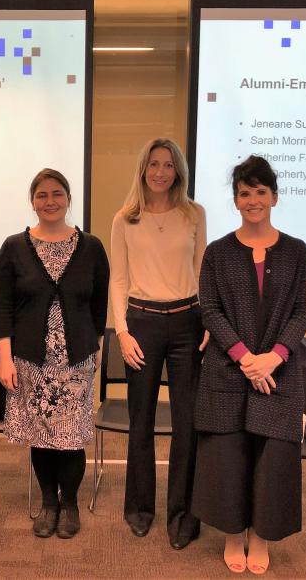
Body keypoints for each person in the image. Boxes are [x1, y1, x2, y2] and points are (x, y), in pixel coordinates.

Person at [193, 155, 306, 575]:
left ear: (274, 197)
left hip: (278, 373)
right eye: (244, 193)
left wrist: (273, 358)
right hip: (229, 370)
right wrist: (246, 358)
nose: (252, 200)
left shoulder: (297, 251)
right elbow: (210, 310)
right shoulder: (218, 252)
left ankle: (260, 537)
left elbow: (303, 310)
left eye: (260, 192)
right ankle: (232, 534)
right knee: (228, 457)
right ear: (235, 200)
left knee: (271, 459)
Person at [0, 169, 109, 539]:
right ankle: (47, 502)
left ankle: (69, 503)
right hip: (29, 359)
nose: (50, 201)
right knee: (41, 435)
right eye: (42, 195)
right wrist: (4, 358)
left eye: (57, 193)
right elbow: (3, 310)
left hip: (75, 360)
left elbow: (99, 305)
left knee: (71, 436)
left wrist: (90, 348)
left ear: (69, 198)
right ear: (33, 201)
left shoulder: (91, 247)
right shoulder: (13, 247)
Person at [110, 137, 208, 549]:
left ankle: (183, 514)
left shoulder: (194, 215)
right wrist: (123, 332)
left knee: (187, 424)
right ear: (143, 169)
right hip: (142, 323)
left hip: (188, 322)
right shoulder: (125, 219)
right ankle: (140, 508)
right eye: (154, 164)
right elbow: (118, 279)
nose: (161, 172)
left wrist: (210, 323)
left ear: (178, 171)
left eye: (168, 164)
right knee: (141, 423)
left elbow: (203, 270)